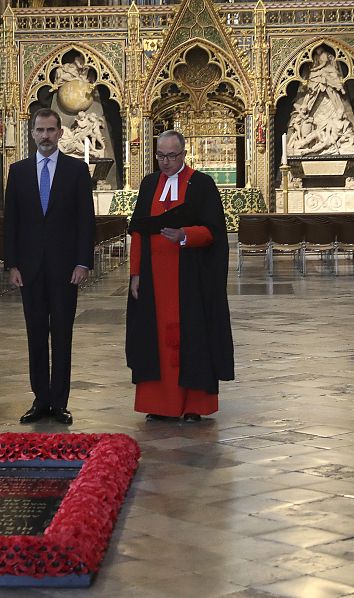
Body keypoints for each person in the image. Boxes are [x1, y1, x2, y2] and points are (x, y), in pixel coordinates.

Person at [125, 130, 234, 423]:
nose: (165, 162)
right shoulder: (149, 184)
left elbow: (214, 232)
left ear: (184, 154)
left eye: (172, 156)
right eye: (160, 156)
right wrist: (135, 273)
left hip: (190, 279)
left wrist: (185, 235)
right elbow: (138, 231)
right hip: (153, 277)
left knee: (191, 339)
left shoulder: (202, 185)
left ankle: (193, 405)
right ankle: (158, 404)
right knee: (153, 340)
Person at [3, 108, 95, 425]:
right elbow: (11, 223)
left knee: (62, 335)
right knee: (36, 335)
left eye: (51, 130)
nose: (45, 136)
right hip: (29, 269)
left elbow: (86, 220)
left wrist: (84, 261)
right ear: (32, 133)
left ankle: (60, 402)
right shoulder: (18, 172)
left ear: (59, 132)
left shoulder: (76, 171)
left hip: (66, 267)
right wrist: (11, 264)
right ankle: (40, 399)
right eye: (40, 130)